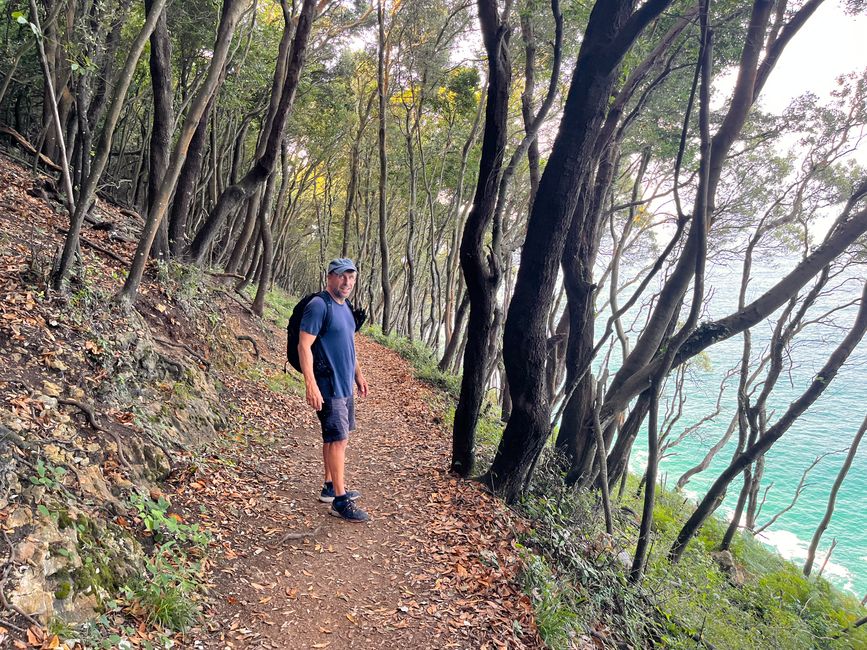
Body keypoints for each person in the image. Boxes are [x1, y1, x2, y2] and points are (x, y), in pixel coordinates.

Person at [298, 258, 370, 522]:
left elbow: (348, 343)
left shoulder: (346, 306)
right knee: (339, 440)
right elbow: (303, 346)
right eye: (342, 276)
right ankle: (340, 500)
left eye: (351, 277)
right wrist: (311, 384)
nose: (347, 282)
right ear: (330, 277)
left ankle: (330, 486)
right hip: (328, 385)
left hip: (345, 384)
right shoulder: (319, 305)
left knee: (334, 438)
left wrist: (358, 375)